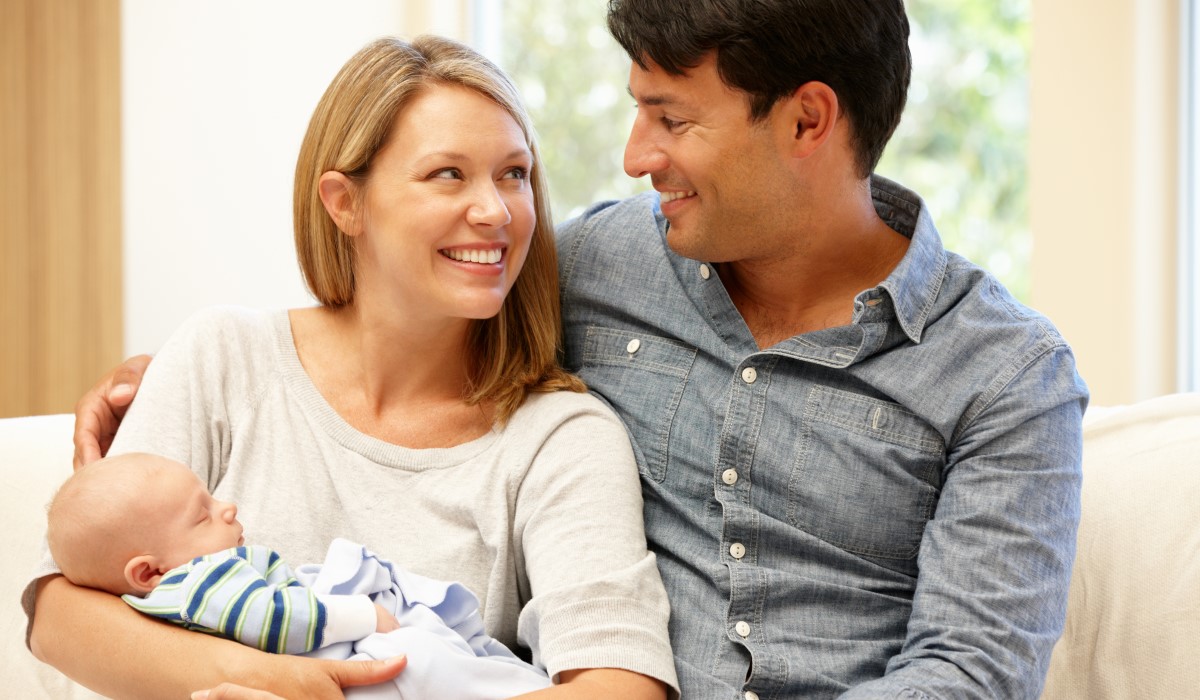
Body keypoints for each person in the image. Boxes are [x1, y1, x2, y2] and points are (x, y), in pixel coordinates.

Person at [66, 1, 1089, 698]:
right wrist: (175, 384)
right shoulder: (592, 264)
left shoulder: (1005, 375)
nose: (637, 155)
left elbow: (970, 672)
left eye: (669, 118)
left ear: (808, 119)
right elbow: (423, 292)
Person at [26, 34, 678, 700]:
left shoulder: (559, 436)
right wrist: (285, 680)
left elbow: (619, 689)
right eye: (447, 174)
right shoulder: (222, 359)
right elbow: (59, 620)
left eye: (514, 173)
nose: (495, 211)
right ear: (345, 202)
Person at [46, 452, 553, 698]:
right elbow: (272, 618)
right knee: (418, 658)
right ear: (148, 572)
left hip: (315, 658)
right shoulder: (194, 585)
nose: (228, 508)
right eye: (202, 514)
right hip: (324, 658)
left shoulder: (179, 586)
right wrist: (361, 615)